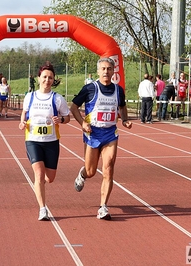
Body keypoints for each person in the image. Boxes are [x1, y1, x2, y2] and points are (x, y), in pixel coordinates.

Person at [70, 57, 132, 220]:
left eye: (109, 69)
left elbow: (122, 106)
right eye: (103, 69)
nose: (106, 71)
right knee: (91, 171)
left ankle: (103, 207)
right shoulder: (90, 88)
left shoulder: (118, 90)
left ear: (113, 71)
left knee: (109, 167)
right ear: (98, 71)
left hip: (110, 133)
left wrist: (124, 120)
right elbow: (74, 107)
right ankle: (82, 175)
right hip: (93, 133)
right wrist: (82, 123)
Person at [18, 63, 70, 221]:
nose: (47, 80)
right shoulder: (30, 96)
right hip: (33, 140)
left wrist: (60, 119)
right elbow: (24, 114)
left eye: (50, 78)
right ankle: (42, 209)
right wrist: (22, 123)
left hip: (51, 142)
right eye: (45, 77)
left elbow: (67, 117)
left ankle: (42, 186)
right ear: (39, 78)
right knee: (39, 174)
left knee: (50, 178)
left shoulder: (57, 99)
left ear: (53, 80)